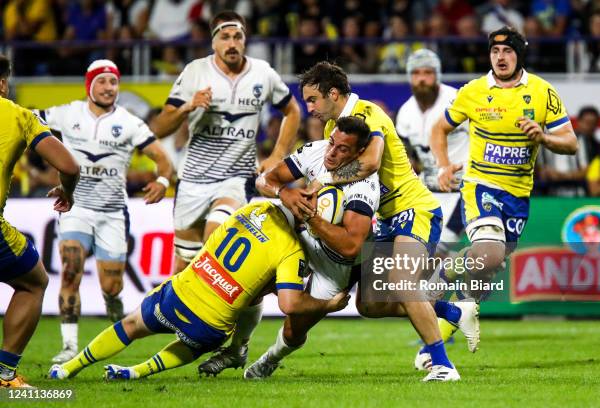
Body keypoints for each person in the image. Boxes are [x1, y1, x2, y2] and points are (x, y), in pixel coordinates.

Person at [299, 62, 474, 381]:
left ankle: (443, 365)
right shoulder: (331, 130)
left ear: (333, 94)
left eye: (312, 99)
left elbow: (369, 163)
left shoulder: (370, 114)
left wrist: (324, 183)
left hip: (413, 208)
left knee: (401, 280)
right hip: (385, 216)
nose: (308, 107)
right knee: (370, 305)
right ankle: (451, 311)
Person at [48, 200, 349, 381]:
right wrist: (327, 305)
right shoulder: (293, 251)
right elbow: (290, 304)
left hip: (181, 291)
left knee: (130, 325)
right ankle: (138, 371)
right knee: (232, 311)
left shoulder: (256, 207)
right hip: (210, 324)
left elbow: (216, 236)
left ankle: (69, 368)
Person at [429, 26, 577, 362]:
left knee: (485, 275)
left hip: (519, 195)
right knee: (490, 256)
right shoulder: (474, 91)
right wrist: (443, 165)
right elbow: (440, 127)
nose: (500, 57)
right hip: (481, 186)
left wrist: (544, 137)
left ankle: (436, 341)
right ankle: (448, 272)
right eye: (495, 52)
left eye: (508, 51)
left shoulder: (542, 92)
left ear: (519, 55)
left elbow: (570, 143)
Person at [198, 116, 383, 378]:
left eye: (342, 149)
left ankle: (271, 358)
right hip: (301, 238)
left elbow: (351, 246)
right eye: (332, 143)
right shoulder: (315, 151)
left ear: (359, 152)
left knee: (294, 329)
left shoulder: (364, 185)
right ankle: (236, 349)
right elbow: (264, 181)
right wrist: (284, 193)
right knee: (252, 287)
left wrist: (311, 217)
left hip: (336, 261)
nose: (331, 153)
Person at [38, 59, 173, 364]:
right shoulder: (67, 113)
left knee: (110, 285)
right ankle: (69, 346)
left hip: (113, 213)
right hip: (76, 207)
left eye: (113, 82)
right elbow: (25, 122)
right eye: (102, 81)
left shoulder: (130, 122)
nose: (109, 88)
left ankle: (113, 303)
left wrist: (163, 180)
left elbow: (163, 160)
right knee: (70, 271)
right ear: (89, 85)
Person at [151, 10, 301, 274]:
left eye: (237, 36)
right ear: (213, 42)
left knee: (216, 241)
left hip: (236, 179)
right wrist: (188, 106)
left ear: (245, 40)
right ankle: (179, 314)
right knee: (184, 269)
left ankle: (229, 314)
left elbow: (292, 110)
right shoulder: (195, 72)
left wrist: (278, 153)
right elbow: (160, 127)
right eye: (225, 37)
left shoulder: (262, 73)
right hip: (193, 181)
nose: (232, 43)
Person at [0, 54, 80, 388]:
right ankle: (4, 373)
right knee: (33, 282)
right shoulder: (19, 116)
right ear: (3, 84)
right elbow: (70, 166)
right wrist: (67, 190)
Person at [395, 49, 471, 359]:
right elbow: (409, 155)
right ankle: (449, 316)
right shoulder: (405, 112)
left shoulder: (457, 100)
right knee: (423, 268)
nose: (422, 79)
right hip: (429, 194)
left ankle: (443, 328)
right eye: (416, 74)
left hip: (463, 189)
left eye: (427, 72)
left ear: (437, 74)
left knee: (433, 258)